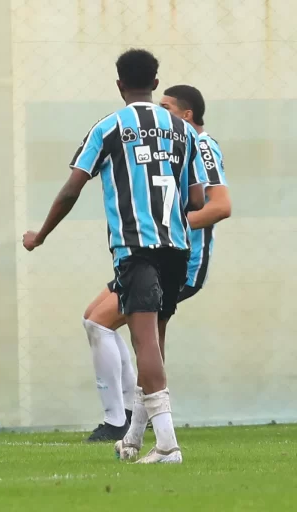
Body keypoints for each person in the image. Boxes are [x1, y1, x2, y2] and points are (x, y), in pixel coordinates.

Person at [22, 48, 222, 464]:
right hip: (177, 248)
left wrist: (40, 234)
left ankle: (167, 444)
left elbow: (73, 187)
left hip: (136, 248)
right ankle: (133, 439)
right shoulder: (183, 130)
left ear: (118, 85)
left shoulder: (110, 126)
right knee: (155, 341)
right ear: (154, 82)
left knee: (143, 341)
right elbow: (199, 196)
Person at [82, 84, 231, 443]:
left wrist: (169, 224)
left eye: (166, 107)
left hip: (179, 260)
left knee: (107, 324)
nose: (159, 113)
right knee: (97, 320)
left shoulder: (203, 146)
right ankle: (137, 417)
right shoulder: (168, 143)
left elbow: (220, 206)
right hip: (150, 253)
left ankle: (122, 419)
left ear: (187, 115)